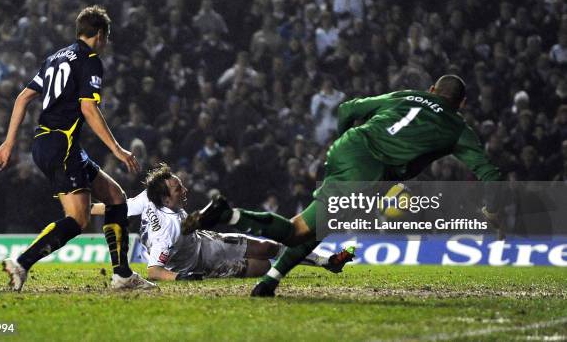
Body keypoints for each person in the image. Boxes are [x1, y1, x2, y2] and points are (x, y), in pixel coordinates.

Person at [183, 75, 502, 297]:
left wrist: (343, 144)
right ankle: (229, 214)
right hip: (370, 168)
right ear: (461, 104)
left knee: (323, 223)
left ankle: (270, 281)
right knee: (297, 230)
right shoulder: (459, 128)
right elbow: (488, 171)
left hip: (350, 146)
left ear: (432, 89)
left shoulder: (407, 95)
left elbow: (347, 109)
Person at [0, 6, 154, 291]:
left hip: (49, 143)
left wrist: (8, 143)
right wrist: (117, 149)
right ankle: (21, 263)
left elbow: (22, 98)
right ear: (100, 35)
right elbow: (88, 108)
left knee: (116, 196)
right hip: (62, 144)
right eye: (106, 38)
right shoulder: (90, 60)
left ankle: (123, 275)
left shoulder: (55, 57)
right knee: (78, 219)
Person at [90, 163, 355, 280]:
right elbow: (153, 271)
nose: (185, 191)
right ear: (166, 200)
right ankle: (318, 263)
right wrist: (180, 279)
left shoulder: (147, 200)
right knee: (261, 266)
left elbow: (116, 207)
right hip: (204, 263)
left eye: (181, 185)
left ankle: (326, 262)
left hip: (205, 242)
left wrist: (84, 210)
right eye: (178, 189)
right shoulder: (167, 231)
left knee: (268, 248)